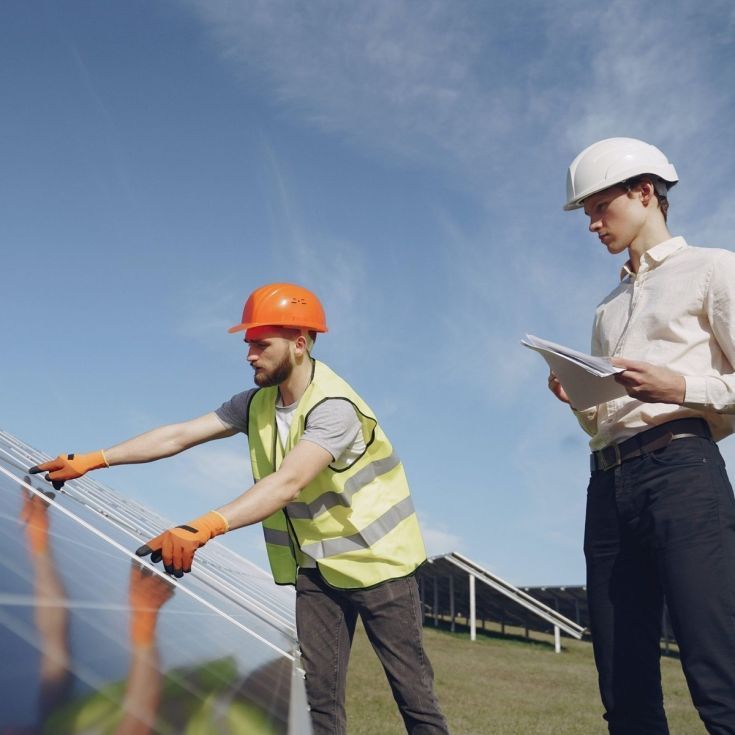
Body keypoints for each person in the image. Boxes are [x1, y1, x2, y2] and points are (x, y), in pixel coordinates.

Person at [30, 282, 449, 735]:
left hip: (379, 567)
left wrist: (204, 527)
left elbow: (287, 484)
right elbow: (179, 435)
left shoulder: (335, 409)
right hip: (315, 570)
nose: (250, 354)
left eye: (261, 344)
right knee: (318, 701)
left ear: (300, 344)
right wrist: (95, 459)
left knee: (413, 695)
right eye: (248, 344)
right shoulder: (254, 404)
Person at [549, 137, 735, 735]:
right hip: (607, 484)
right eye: (586, 213)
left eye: (600, 207)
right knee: (622, 686)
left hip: (683, 471)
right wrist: (579, 402)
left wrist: (681, 387)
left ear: (645, 192)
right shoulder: (607, 310)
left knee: (717, 669)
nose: (592, 224)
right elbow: (606, 417)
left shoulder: (713, 268)